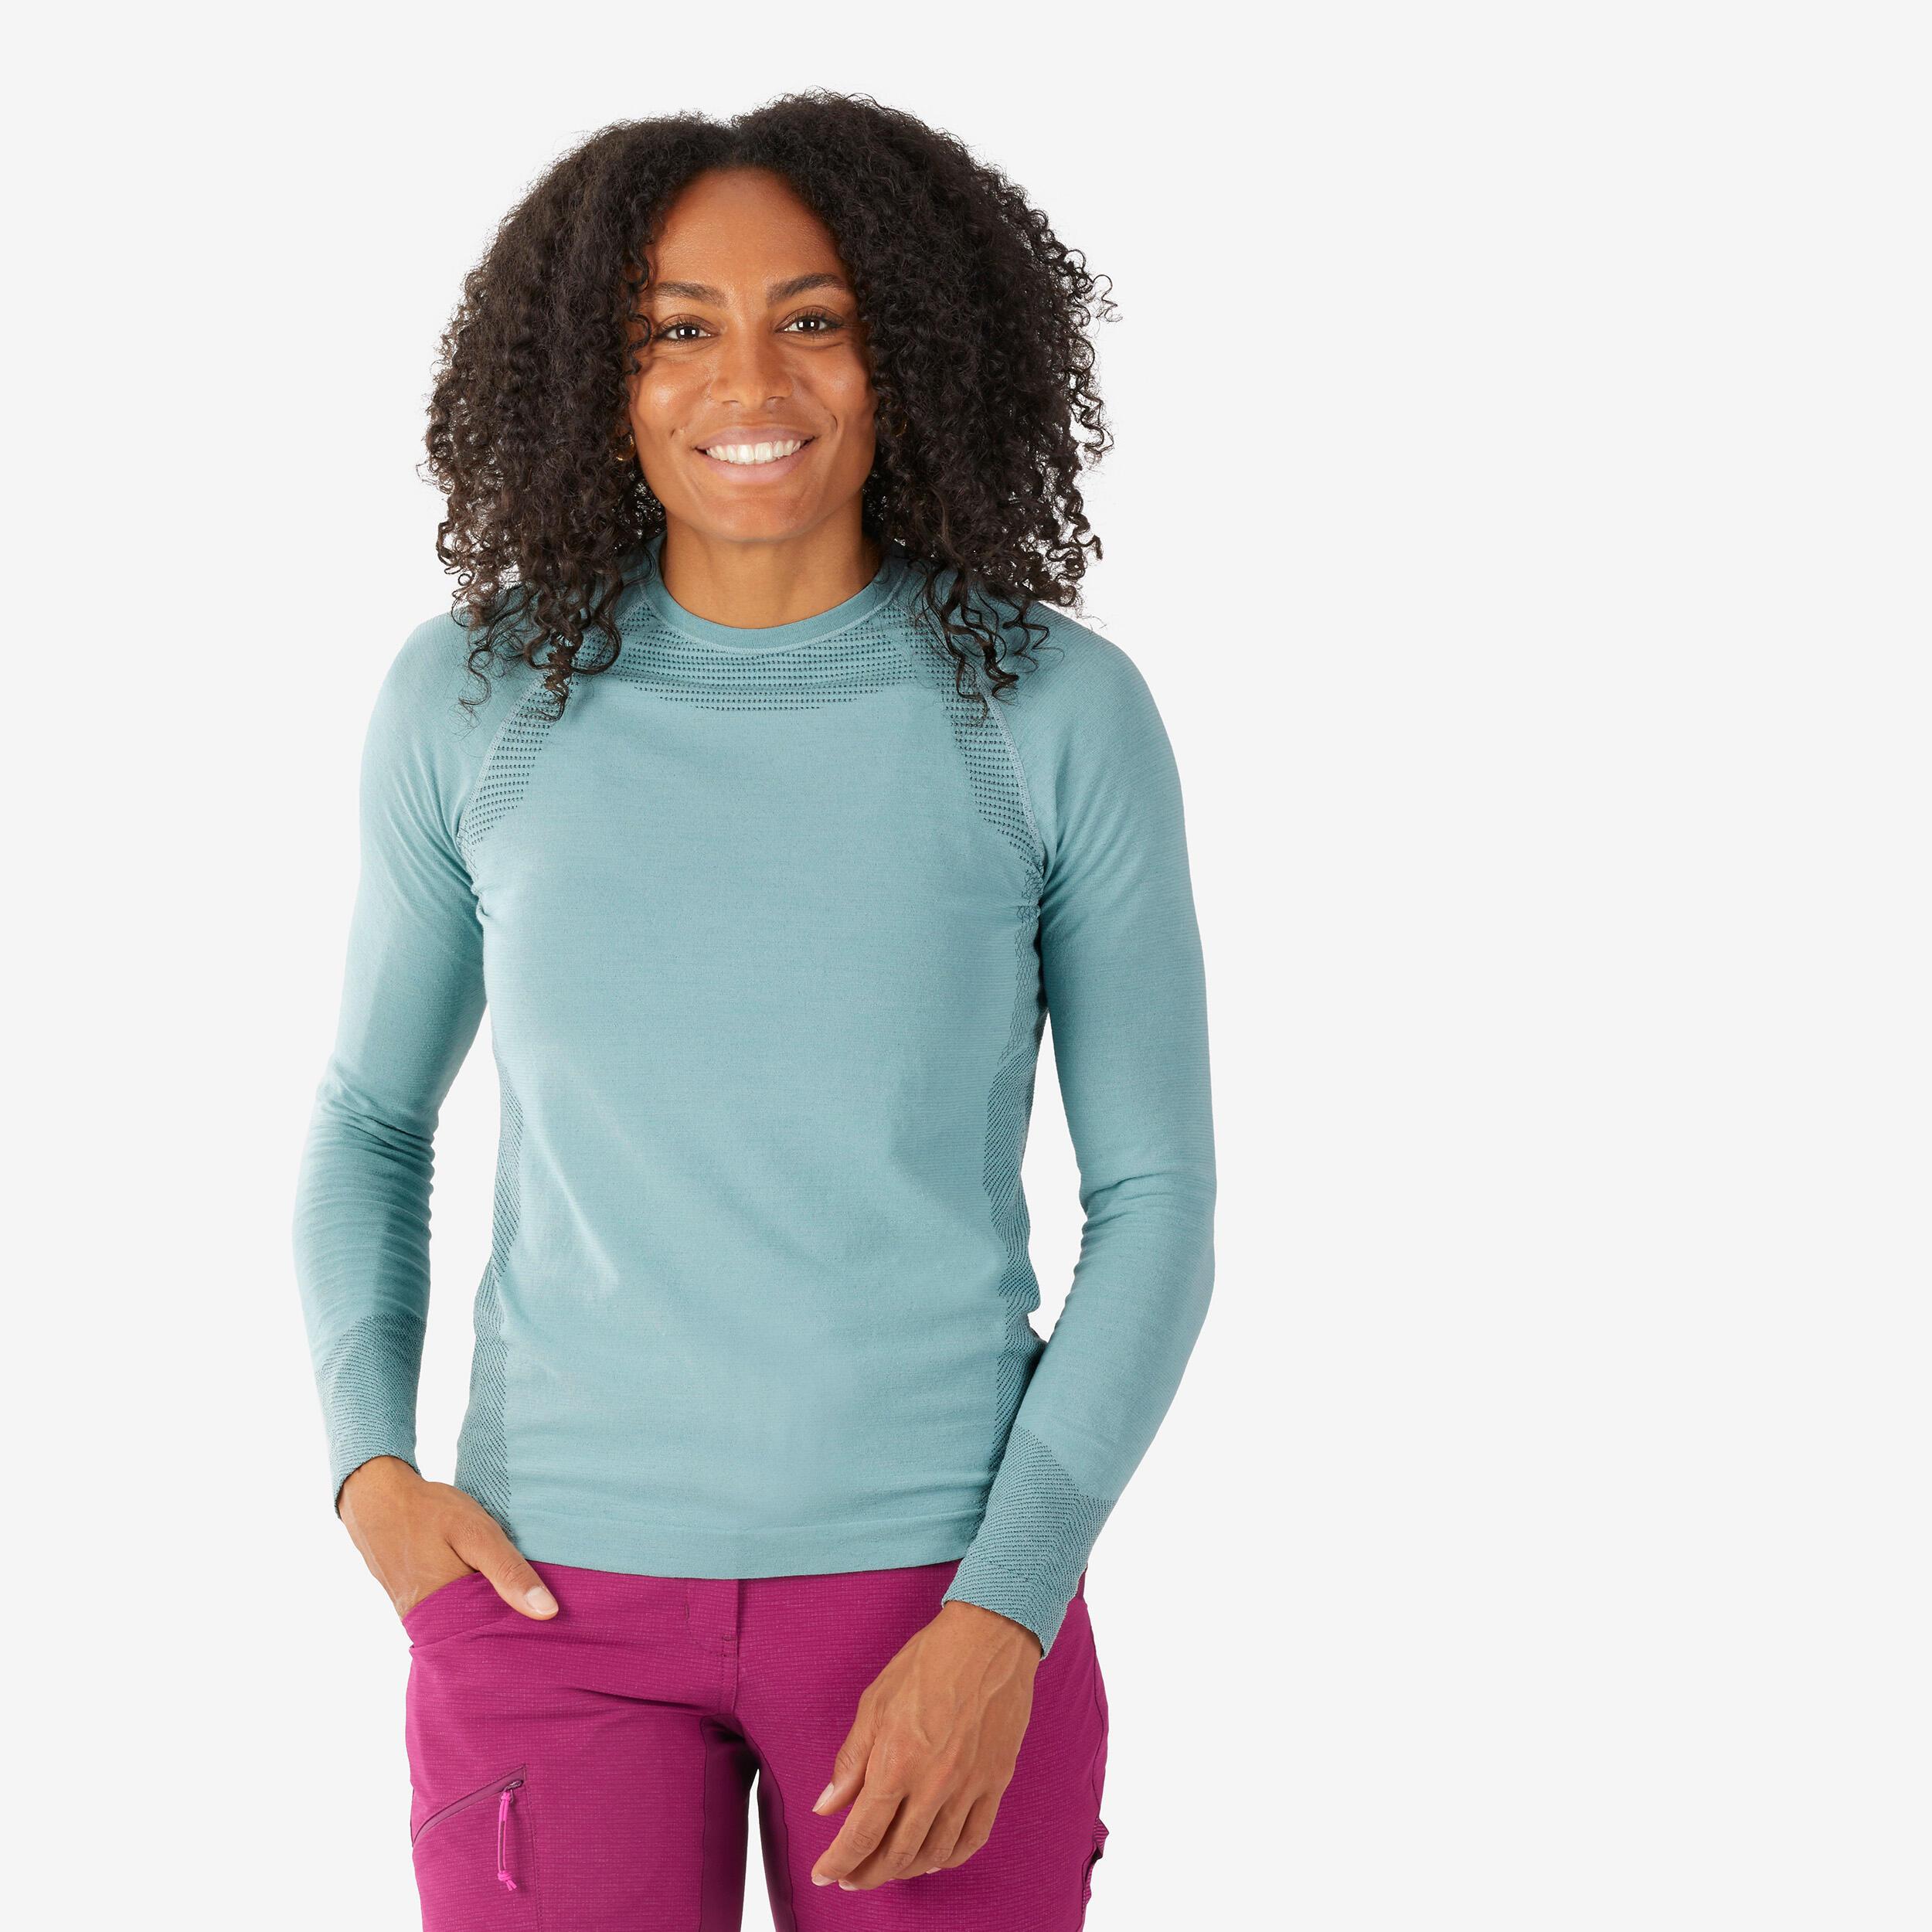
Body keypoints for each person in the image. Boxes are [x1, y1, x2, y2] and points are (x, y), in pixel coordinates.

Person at [292, 90, 1215, 1930]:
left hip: (934, 1603)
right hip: (545, 1599)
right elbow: (371, 1121)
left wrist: (1007, 1604)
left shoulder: (1049, 709)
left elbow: (1156, 1200)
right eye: (675, 328)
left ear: (910, 348)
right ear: (595, 371)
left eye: (814, 317)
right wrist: (369, 1474)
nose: (749, 381)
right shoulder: (474, 698)